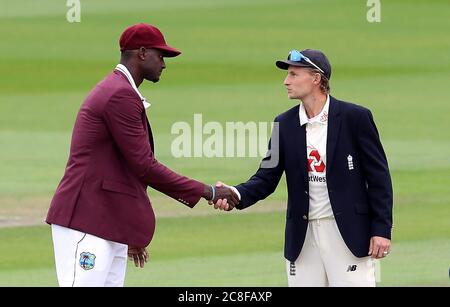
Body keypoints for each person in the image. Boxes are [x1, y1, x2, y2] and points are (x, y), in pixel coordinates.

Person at [46, 23, 238, 287]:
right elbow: (144, 167)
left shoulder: (121, 91)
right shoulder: (119, 95)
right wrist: (210, 192)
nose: (164, 64)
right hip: (86, 221)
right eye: (161, 56)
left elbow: (122, 172)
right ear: (142, 53)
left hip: (106, 223)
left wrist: (128, 228)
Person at [212, 49, 393, 287]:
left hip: (347, 234)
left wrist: (381, 229)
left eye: (294, 74)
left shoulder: (355, 118)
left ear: (316, 78)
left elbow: (379, 178)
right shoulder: (284, 124)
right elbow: (266, 177)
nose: (286, 81)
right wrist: (235, 194)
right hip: (303, 238)